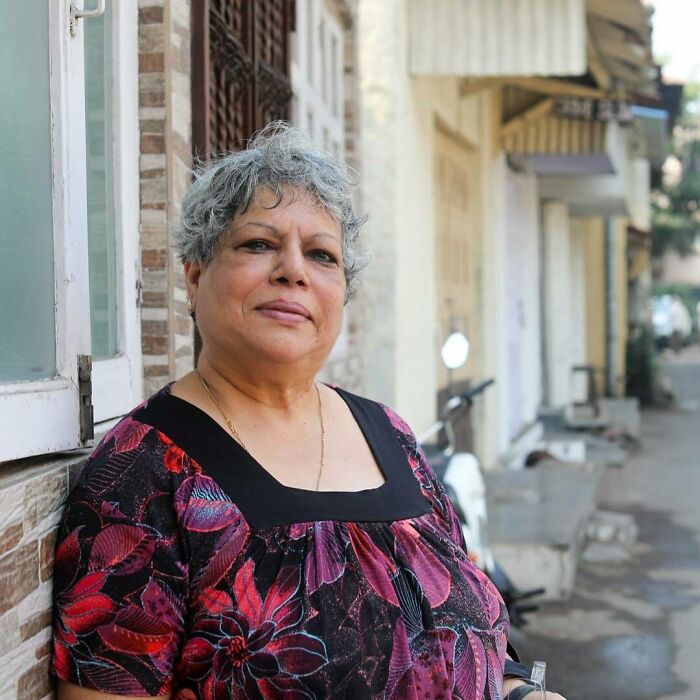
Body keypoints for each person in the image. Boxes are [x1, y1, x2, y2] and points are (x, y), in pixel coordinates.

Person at [51, 122, 565, 699]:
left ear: (341, 293)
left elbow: (465, 626)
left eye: (321, 255)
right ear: (194, 278)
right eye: (258, 244)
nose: (292, 270)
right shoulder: (141, 475)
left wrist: (523, 691)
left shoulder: (388, 434)